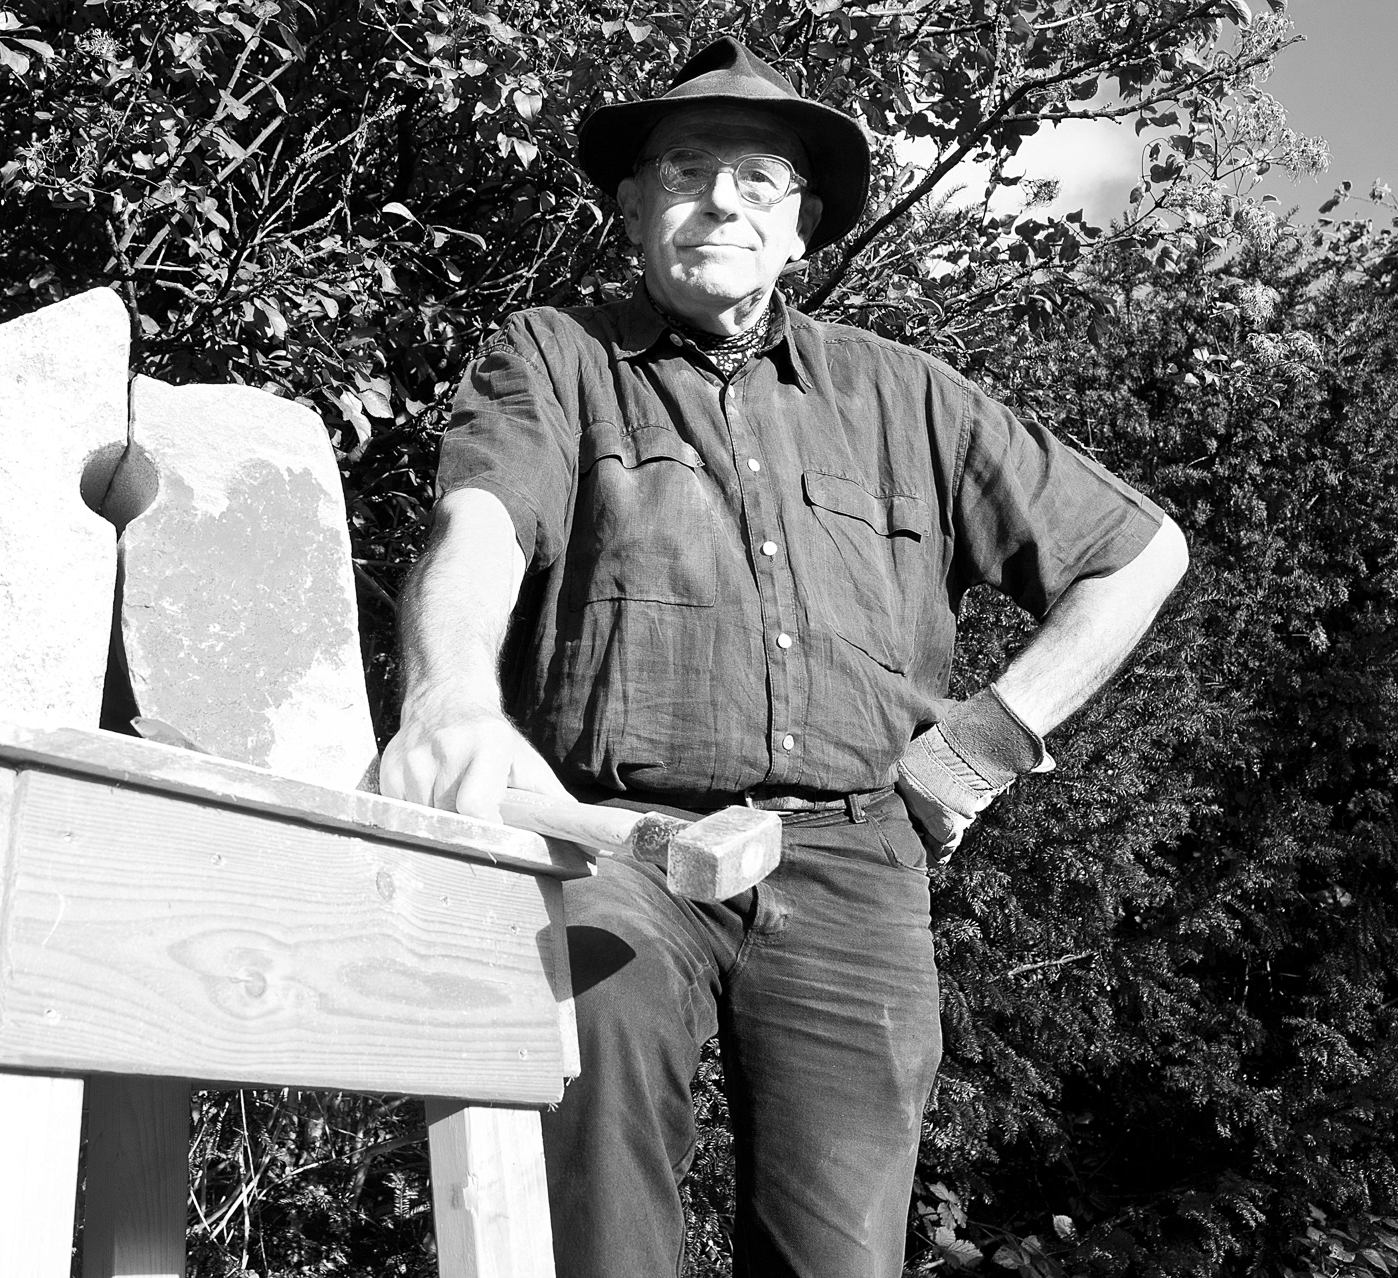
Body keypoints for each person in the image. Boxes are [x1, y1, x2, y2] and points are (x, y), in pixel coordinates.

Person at [378, 36, 1189, 1278]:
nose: (721, 201)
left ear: (801, 227)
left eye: (757, 180)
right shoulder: (555, 356)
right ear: (633, 206)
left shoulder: (908, 395)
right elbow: (479, 522)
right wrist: (447, 699)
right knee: (585, 1055)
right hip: (615, 842)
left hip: (858, 867)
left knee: (841, 1254)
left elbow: (1136, 553)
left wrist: (979, 746)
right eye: (686, 171)